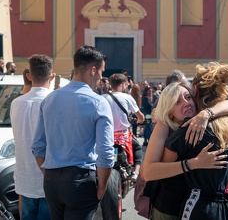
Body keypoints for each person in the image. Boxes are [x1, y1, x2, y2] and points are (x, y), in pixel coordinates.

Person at [142, 68, 228, 220]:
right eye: (177, 102)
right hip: (169, 207)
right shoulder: (165, 126)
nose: (186, 103)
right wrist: (193, 163)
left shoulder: (199, 121)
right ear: (169, 111)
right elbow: (148, 172)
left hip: (191, 205)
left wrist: (206, 113)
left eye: (188, 97)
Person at [31, 46, 115, 219]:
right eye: (101, 72)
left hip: (52, 180)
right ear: (93, 70)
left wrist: (51, 174)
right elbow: (105, 152)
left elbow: (38, 146)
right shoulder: (98, 103)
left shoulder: (49, 99)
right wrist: (102, 187)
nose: (101, 78)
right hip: (80, 180)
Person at [10, 54, 55, 220]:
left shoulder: (16, 103)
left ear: (29, 76)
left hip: (24, 177)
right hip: (47, 176)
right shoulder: (52, 101)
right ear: (52, 76)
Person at [103, 73, 145, 181]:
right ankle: (135, 173)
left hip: (106, 136)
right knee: (138, 148)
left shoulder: (102, 98)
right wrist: (140, 120)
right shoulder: (127, 97)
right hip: (123, 136)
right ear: (122, 85)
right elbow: (140, 116)